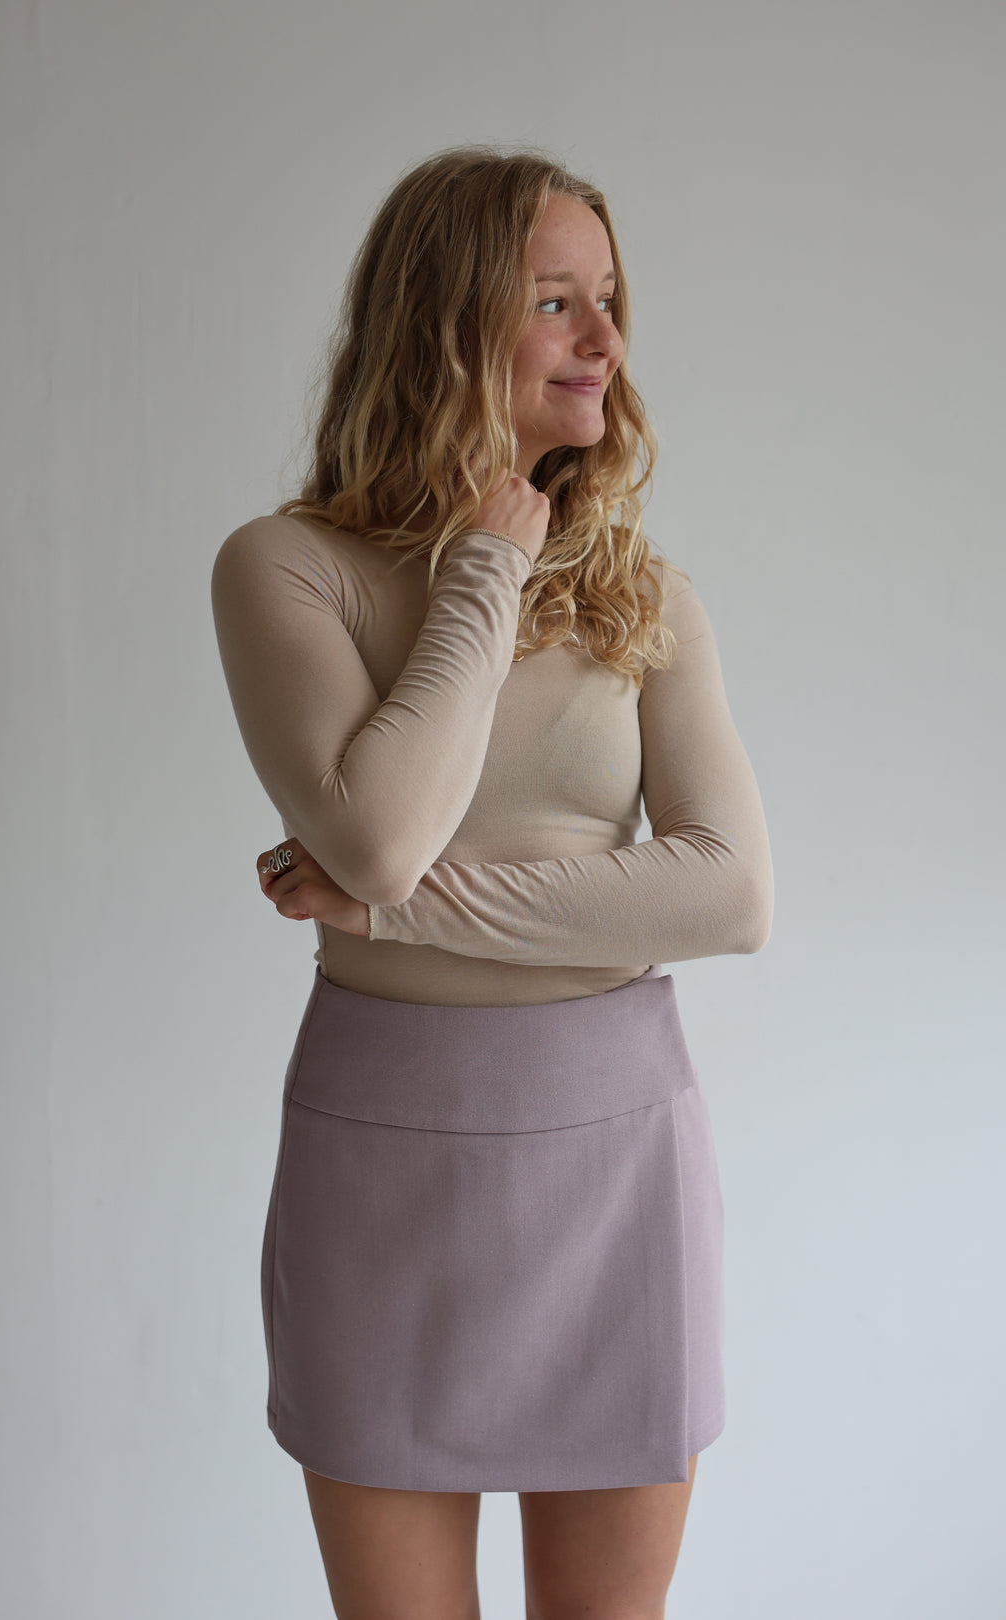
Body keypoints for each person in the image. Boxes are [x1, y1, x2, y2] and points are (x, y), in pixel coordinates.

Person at [210, 145, 773, 1620]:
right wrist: (480, 569)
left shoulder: (645, 593)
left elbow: (728, 896)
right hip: (380, 1162)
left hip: (617, 1163)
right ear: (447, 320)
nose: (606, 342)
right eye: (556, 301)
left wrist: (392, 907)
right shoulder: (287, 569)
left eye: (611, 300)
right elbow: (382, 836)